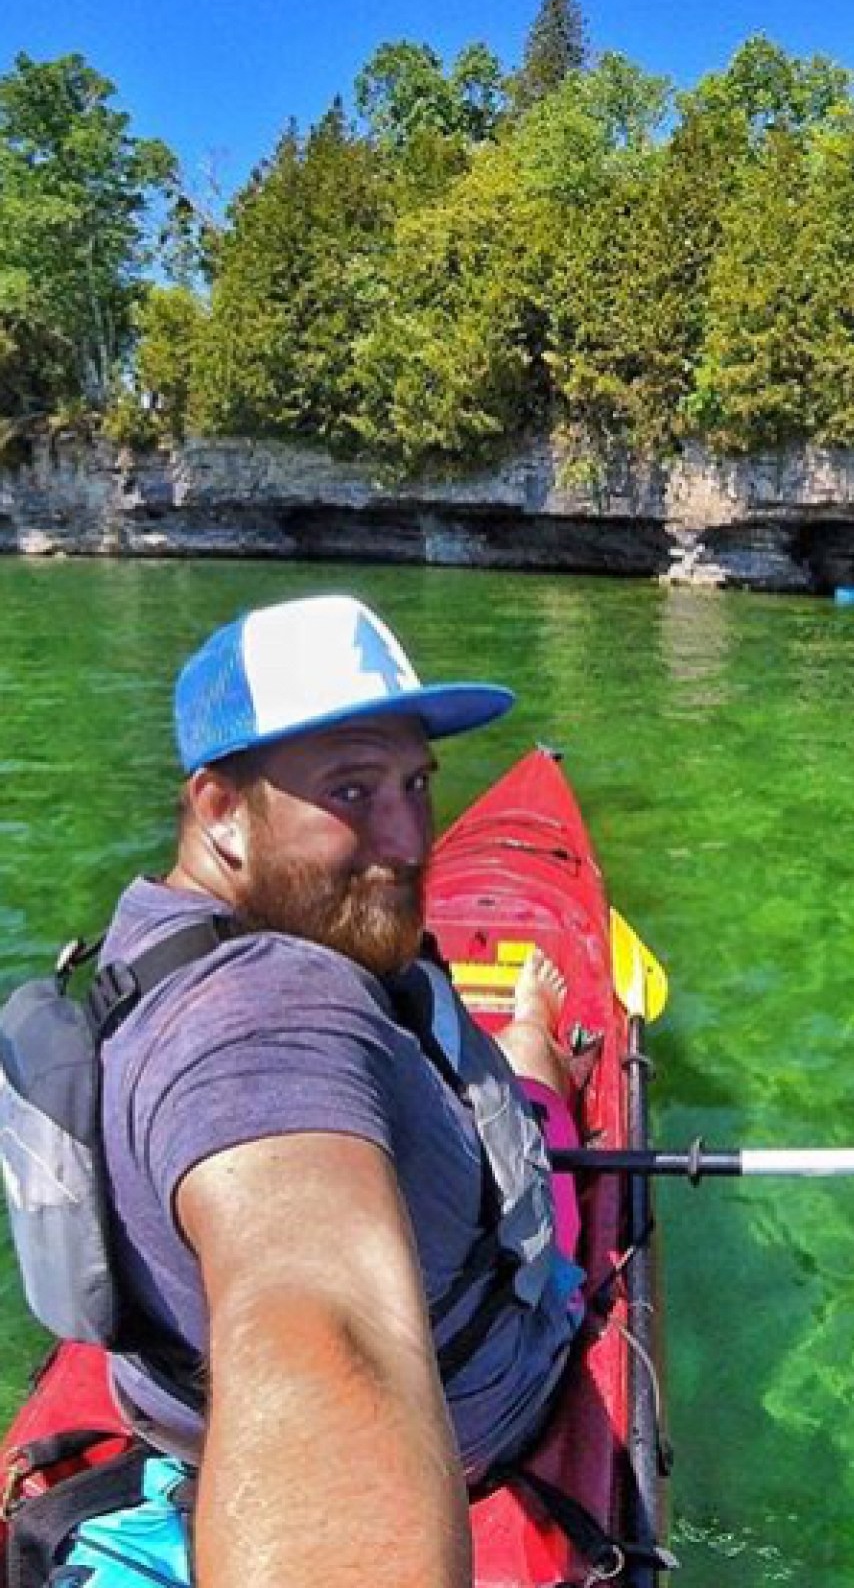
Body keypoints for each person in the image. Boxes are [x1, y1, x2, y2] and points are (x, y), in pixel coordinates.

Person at [97, 593, 585, 1588]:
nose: (409, 839)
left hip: (181, 1412)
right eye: (354, 792)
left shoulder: (149, 933)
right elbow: (326, 1328)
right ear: (222, 810)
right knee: (526, 1093)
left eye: (417, 782)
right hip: (482, 1418)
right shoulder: (266, 1012)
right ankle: (533, 1035)